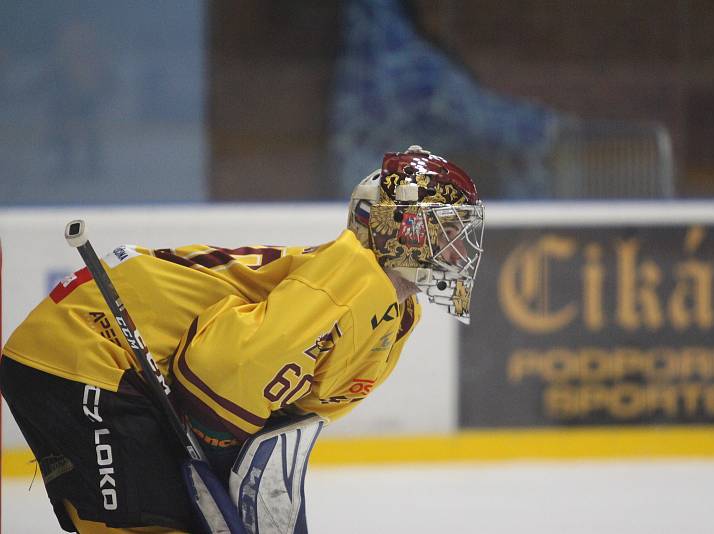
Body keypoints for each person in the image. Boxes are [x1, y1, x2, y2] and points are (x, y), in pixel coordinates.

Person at [0, 146, 485, 533]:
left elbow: (275, 418)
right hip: (87, 345)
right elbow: (217, 377)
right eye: (446, 230)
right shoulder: (350, 280)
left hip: (99, 362)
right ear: (398, 227)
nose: (459, 249)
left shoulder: (392, 315)